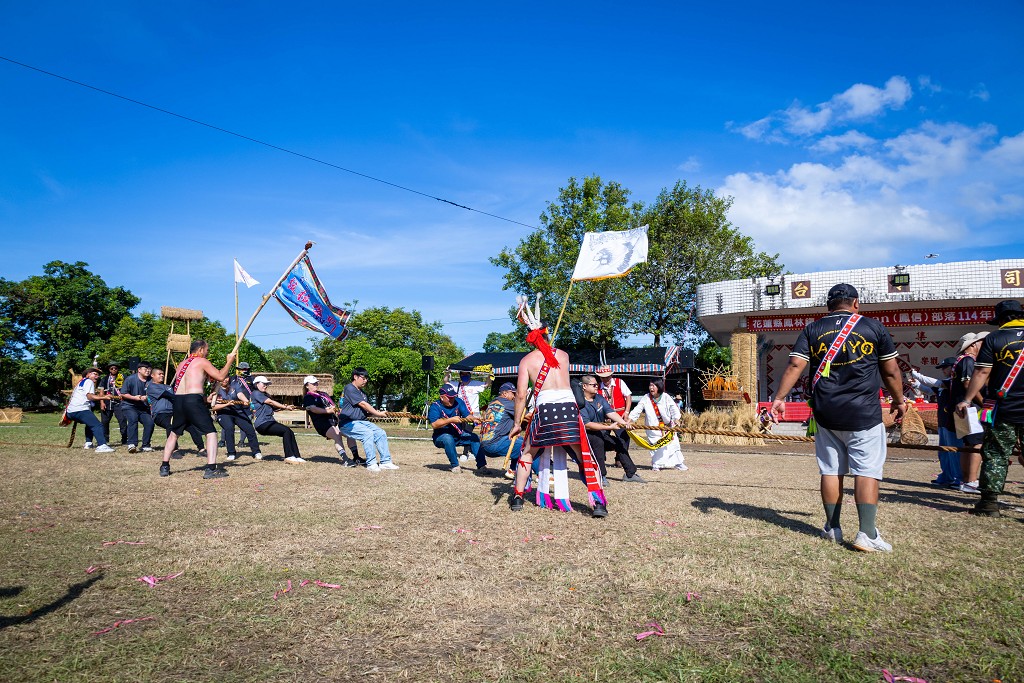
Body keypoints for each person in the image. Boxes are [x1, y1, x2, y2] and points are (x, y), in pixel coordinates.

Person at [771, 283, 907, 553]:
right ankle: (867, 533)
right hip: (864, 412)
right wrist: (899, 400)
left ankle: (832, 528)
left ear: (828, 305)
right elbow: (891, 371)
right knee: (866, 470)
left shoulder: (813, 329)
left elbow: (795, 364)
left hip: (826, 412)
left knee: (830, 469)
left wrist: (779, 398)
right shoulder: (873, 327)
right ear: (856, 303)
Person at [508, 296, 606, 517]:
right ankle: (598, 503)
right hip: (569, 410)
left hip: (545, 411)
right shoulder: (563, 355)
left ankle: (518, 496)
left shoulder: (526, 361)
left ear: (530, 338)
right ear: (546, 332)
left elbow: (521, 395)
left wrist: (516, 424)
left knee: (528, 453)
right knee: (583, 456)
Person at [957, 299, 1024, 517]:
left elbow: (982, 373)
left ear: (1002, 319)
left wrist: (967, 400)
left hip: (1004, 408)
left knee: (996, 454)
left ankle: (989, 503)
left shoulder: (994, 338)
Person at [159, 340, 236, 479]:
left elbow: (191, 383)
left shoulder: (182, 364)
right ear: (200, 350)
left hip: (179, 400)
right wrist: (229, 361)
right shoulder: (201, 361)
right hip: (193, 400)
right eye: (206, 350)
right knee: (211, 433)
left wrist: (205, 398)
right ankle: (211, 469)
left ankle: (164, 466)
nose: (207, 353)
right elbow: (220, 376)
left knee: (174, 433)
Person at [579, 374, 645, 483]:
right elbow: (587, 424)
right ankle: (601, 476)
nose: (597, 387)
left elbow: (610, 412)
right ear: (585, 386)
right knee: (598, 442)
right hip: (587, 434)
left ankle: (630, 473)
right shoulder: (581, 403)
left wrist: (624, 423)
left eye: (596, 385)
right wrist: (609, 426)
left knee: (619, 443)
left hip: (600, 431)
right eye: (594, 385)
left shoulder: (599, 398)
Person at [911, 357, 962, 487]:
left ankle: (958, 478)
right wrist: (917, 385)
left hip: (953, 423)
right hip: (943, 422)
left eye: (945, 367)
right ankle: (947, 477)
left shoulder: (955, 381)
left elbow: (936, 383)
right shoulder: (944, 383)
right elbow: (931, 390)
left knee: (955, 452)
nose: (943, 370)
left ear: (953, 367)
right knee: (943, 452)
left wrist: (918, 376)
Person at [336, 368, 398, 472]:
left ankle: (385, 462)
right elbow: (363, 404)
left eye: (366, 379)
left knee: (380, 433)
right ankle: (372, 464)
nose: (365, 381)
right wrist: (377, 413)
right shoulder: (349, 388)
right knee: (367, 433)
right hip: (347, 423)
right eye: (363, 378)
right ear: (355, 377)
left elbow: (364, 410)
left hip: (362, 422)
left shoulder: (363, 394)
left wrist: (375, 413)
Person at [951, 331, 989, 493]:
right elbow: (968, 384)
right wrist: (984, 403)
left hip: (961, 409)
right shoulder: (968, 361)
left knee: (968, 444)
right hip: (970, 409)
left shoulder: (960, 361)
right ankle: (971, 481)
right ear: (972, 345)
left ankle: (966, 480)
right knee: (976, 443)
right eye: (979, 343)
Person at [479, 382, 539, 478]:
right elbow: (528, 417)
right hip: (495, 444)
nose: (515, 397)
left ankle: (513, 470)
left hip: (485, 445)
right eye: (513, 394)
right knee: (529, 446)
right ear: (505, 393)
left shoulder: (492, 403)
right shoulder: (508, 404)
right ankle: (542, 475)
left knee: (519, 440)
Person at [629, 379, 687, 471]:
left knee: (673, 444)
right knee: (657, 445)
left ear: (659, 387)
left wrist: (676, 418)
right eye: (650, 386)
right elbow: (638, 409)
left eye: (653, 386)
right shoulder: (646, 398)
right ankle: (657, 464)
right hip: (653, 428)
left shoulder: (666, 397)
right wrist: (631, 420)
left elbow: (674, 409)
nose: (651, 388)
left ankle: (678, 463)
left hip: (667, 427)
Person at [302, 375, 358, 467]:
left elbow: (333, 406)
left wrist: (335, 409)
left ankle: (356, 457)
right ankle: (345, 460)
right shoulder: (308, 398)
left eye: (316, 382)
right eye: (313, 383)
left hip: (334, 420)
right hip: (322, 423)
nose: (316, 384)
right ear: (307, 385)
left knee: (349, 434)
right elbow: (313, 409)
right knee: (337, 436)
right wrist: (328, 410)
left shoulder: (324, 394)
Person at [429, 384, 485, 473]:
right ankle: (455, 466)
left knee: (474, 437)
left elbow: (467, 415)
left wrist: (474, 419)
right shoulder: (435, 406)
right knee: (448, 438)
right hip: (440, 437)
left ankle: (482, 466)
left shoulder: (459, 402)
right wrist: (450, 420)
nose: (452, 399)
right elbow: (435, 424)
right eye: (449, 397)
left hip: (458, 434)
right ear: (442, 397)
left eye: (453, 397)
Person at [149, 368, 206, 453]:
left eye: (163, 374)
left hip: (174, 413)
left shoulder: (168, 387)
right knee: (170, 426)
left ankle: (201, 449)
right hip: (160, 414)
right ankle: (173, 450)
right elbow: (169, 395)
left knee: (191, 426)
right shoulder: (152, 387)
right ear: (152, 375)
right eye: (159, 374)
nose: (162, 375)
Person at [249, 376, 305, 464]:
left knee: (290, 432)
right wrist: (285, 406)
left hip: (269, 421)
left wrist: (285, 408)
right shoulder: (256, 393)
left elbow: (273, 407)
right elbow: (271, 402)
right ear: (257, 384)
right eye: (264, 384)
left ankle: (297, 456)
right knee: (285, 431)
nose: (266, 386)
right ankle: (289, 456)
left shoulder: (265, 395)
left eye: (267, 384)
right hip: (262, 424)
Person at [210, 376, 261, 461]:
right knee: (229, 428)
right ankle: (231, 453)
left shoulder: (234, 384)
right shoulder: (216, 388)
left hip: (238, 411)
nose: (225, 380)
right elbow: (214, 407)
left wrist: (245, 400)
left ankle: (256, 452)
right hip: (224, 413)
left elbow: (239, 394)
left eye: (226, 378)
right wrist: (227, 404)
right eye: (223, 378)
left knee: (249, 429)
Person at [66, 367, 115, 453]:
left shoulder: (81, 382)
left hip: (71, 411)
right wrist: (104, 397)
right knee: (97, 425)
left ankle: (88, 443)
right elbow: (90, 396)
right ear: (88, 375)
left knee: (90, 424)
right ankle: (102, 445)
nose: (97, 376)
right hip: (80, 409)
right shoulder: (89, 382)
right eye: (95, 374)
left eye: (98, 375)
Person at [596, 365, 633, 466]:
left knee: (624, 438)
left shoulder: (620, 382)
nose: (606, 379)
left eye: (607, 377)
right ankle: (600, 458)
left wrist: (627, 412)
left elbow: (628, 397)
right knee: (601, 437)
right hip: (605, 419)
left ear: (611, 375)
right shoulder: (597, 387)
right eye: (603, 377)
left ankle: (619, 458)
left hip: (620, 416)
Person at [119, 361, 155, 453]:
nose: (148, 370)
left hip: (143, 408)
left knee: (150, 423)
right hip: (129, 405)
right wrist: (135, 398)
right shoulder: (130, 379)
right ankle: (132, 444)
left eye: (149, 369)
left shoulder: (151, 381)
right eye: (145, 368)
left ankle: (146, 445)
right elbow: (123, 394)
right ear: (139, 370)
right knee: (133, 419)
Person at [454, 370, 489, 461]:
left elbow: (486, 384)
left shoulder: (475, 384)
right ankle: (471, 450)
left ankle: (465, 453)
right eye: (462, 374)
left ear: (470, 374)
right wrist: (447, 371)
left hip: (473, 414)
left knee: (467, 431)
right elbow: (446, 382)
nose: (464, 375)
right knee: (462, 432)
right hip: (462, 414)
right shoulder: (457, 385)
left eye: (466, 374)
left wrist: (490, 375)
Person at [98, 362, 127, 446]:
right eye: (112, 368)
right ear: (109, 369)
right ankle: (105, 440)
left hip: (120, 402)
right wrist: (102, 402)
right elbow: (101, 391)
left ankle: (124, 439)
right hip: (107, 402)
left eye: (115, 368)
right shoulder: (105, 378)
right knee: (105, 421)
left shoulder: (123, 377)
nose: (114, 370)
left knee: (122, 420)